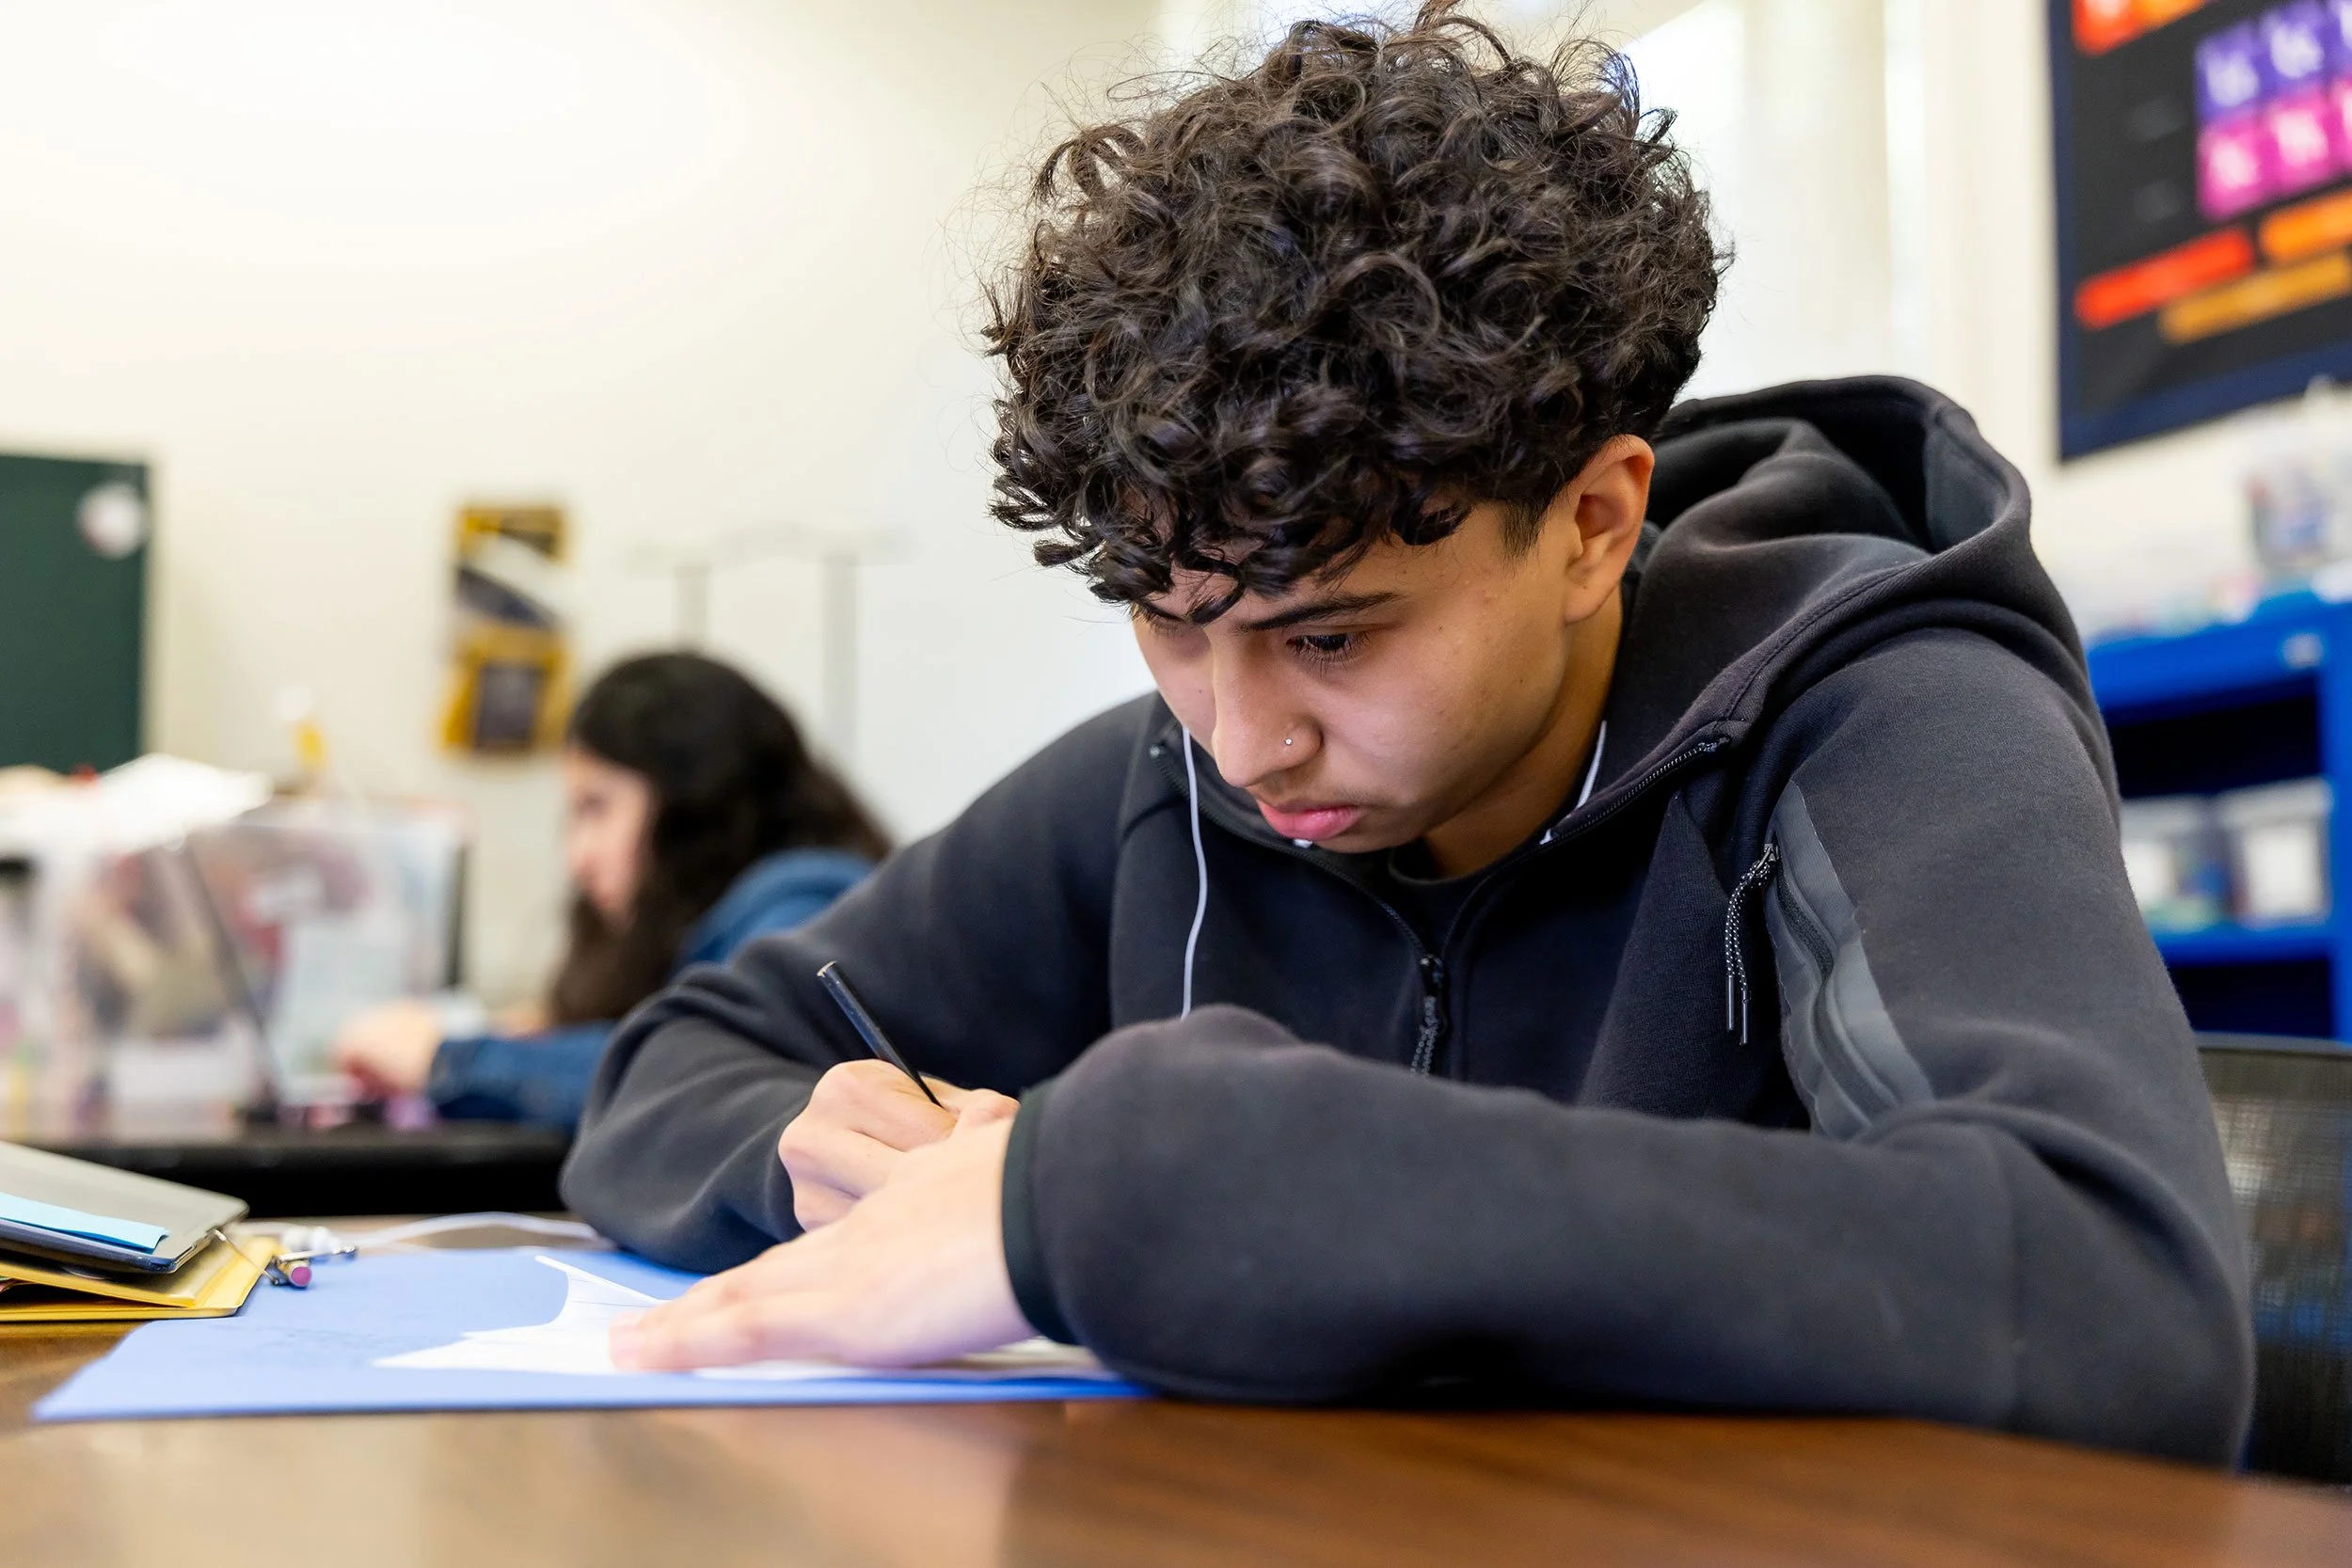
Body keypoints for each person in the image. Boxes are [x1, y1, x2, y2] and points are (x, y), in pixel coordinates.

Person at [563, 7, 2252, 1462]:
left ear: (1592, 521)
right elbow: (665, 1069)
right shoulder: (1175, 780)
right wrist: (810, 1144)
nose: (1242, 742)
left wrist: (1206, 1169)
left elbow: (2121, 1299)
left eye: (1331, 635)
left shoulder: (1878, 711)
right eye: (1169, 623)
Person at [334, 652, 887, 1129]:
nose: (579, 856)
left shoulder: (803, 910)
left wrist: (447, 1060)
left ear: (694, 800)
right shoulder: (739, 918)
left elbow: (703, 1078)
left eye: (596, 807)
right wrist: (539, 1038)